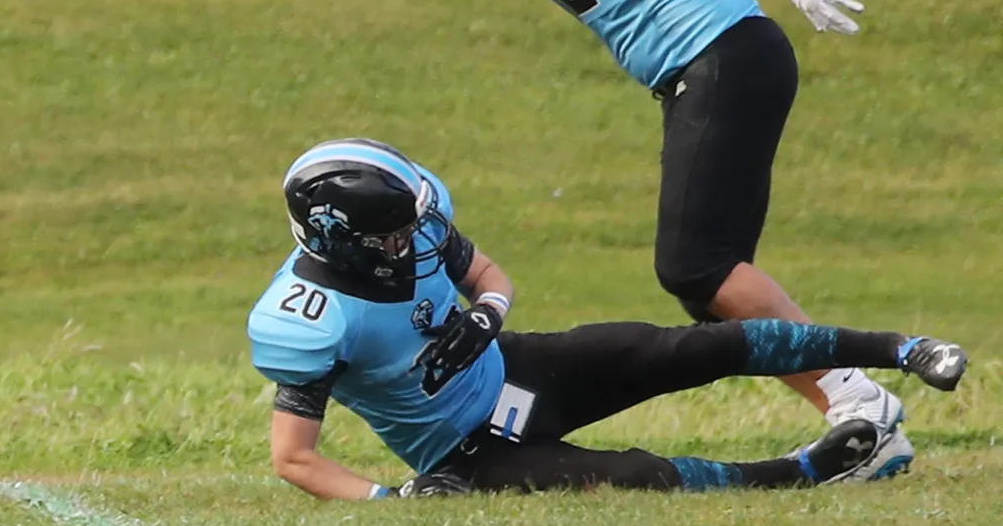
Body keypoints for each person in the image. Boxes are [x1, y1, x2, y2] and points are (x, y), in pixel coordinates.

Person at [253, 0, 908, 479]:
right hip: (691, 72)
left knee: (698, 268)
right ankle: (856, 404)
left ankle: (860, 402)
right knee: (704, 279)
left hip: (726, 50)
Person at [250, 139, 966, 498]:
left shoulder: (414, 231)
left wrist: (487, 316)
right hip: (467, 452)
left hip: (513, 368)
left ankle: (903, 349)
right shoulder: (307, 318)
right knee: (639, 475)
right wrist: (392, 497)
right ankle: (807, 472)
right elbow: (293, 457)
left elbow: (489, 278)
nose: (414, 239)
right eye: (393, 234)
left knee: (679, 350)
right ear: (341, 240)